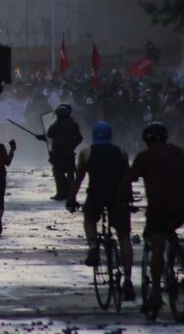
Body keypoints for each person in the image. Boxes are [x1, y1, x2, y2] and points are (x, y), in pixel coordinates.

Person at [117, 122, 184, 313]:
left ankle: (155, 292)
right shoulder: (179, 152)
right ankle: (175, 260)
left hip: (159, 209)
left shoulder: (145, 156)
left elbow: (128, 180)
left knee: (157, 245)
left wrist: (120, 200)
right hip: (180, 208)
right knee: (171, 233)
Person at [66, 121, 135, 301]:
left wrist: (71, 198)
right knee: (124, 237)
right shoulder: (121, 153)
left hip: (96, 195)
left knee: (89, 220)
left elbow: (79, 178)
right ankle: (127, 280)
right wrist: (130, 199)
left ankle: (94, 246)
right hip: (118, 198)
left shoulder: (86, 153)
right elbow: (127, 178)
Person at [39, 103, 83, 200]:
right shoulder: (73, 124)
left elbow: (50, 135)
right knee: (70, 173)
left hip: (58, 153)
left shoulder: (56, 125)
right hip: (69, 153)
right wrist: (72, 146)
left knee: (58, 172)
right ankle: (71, 193)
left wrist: (43, 137)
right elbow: (79, 138)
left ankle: (61, 193)